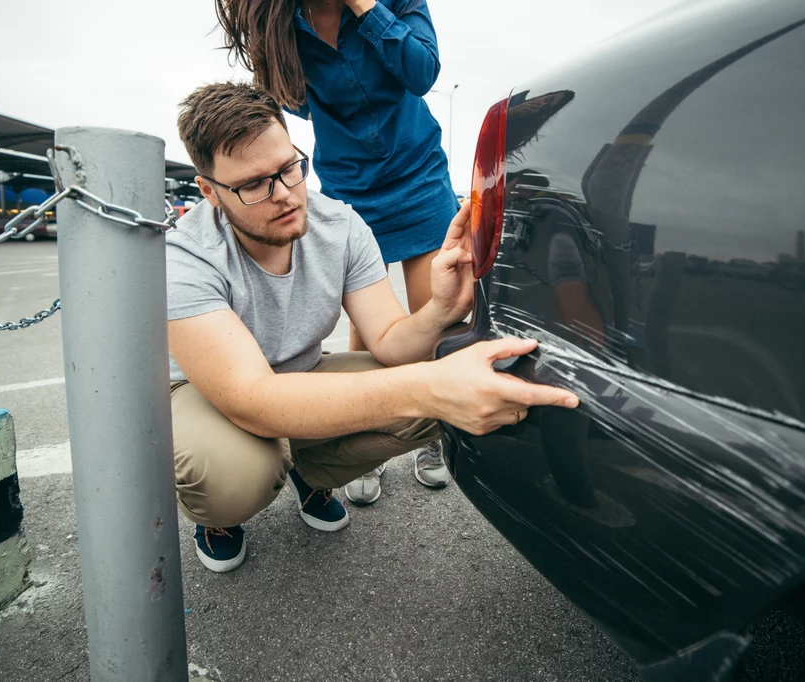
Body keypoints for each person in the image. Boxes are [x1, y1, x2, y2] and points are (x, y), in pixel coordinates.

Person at [168, 81, 579, 572]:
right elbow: (251, 399)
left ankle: (311, 474)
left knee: (435, 390)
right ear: (210, 191)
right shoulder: (185, 255)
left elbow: (389, 344)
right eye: (254, 184)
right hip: (209, 393)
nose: (284, 196)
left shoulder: (339, 224)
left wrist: (441, 310)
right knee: (235, 476)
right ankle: (219, 517)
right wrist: (427, 388)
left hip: (298, 374)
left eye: (289, 169)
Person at [214, 0, 459, 502]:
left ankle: (437, 436)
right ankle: (357, 440)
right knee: (367, 323)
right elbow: (292, 100)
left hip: (417, 172)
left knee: (433, 312)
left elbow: (422, 71)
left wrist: (366, 8)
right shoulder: (285, 25)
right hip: (349, 182)